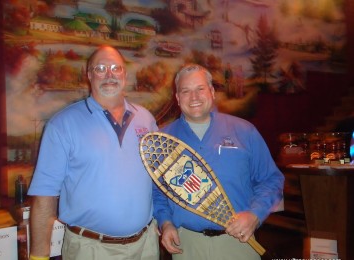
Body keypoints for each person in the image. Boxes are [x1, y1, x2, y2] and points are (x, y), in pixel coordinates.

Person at [28, 45, 160, 260]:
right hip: (90, 250)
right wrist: (38, 256)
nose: (109, 75)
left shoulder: (146, 119)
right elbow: (44, 196)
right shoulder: (62, 124)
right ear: (89, 75)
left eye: (116, 68)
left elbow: (158, 179)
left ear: (125, 74)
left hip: (145, 246)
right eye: (100, 68)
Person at [153, 64, 284, 260]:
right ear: (178, 98)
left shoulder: (244, 131)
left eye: (200, 89)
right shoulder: (164, 141)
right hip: (187, 245)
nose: (194, 97)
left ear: (212, 92)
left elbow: (271, 180)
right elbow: (158, 192)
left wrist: (254, 215)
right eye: (186, 91)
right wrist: (166, 223)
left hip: (238, 242)